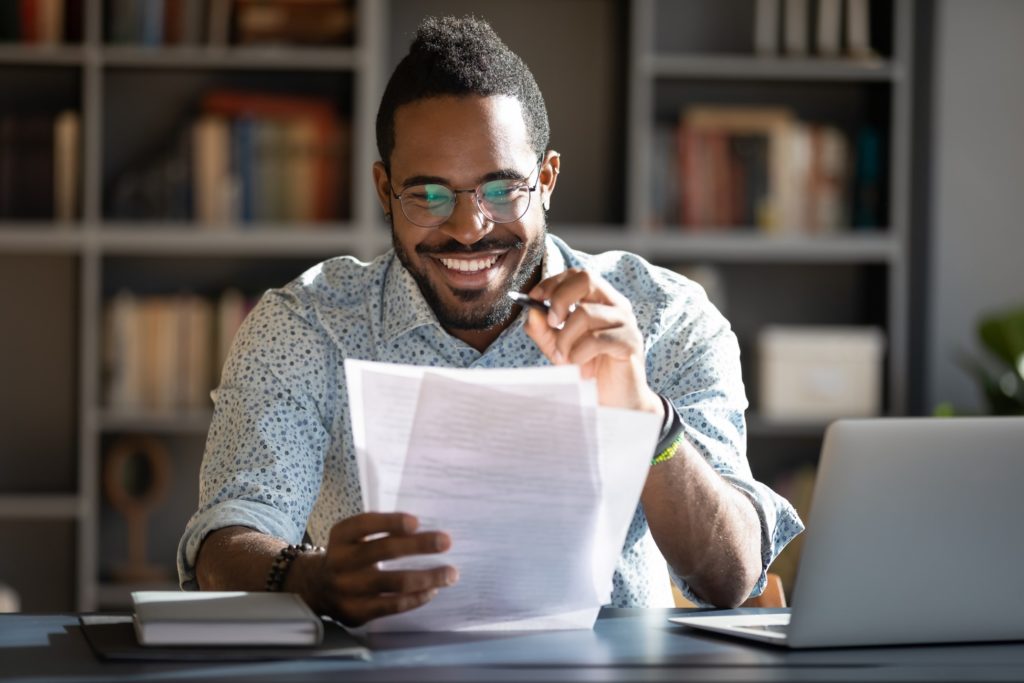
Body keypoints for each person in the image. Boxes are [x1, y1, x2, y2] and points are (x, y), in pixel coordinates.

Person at [178, 15, 802, 627]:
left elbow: (732, 577)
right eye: (426, 195)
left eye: (501, 189)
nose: (469, 227)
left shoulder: (665, 316)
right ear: (383, 191)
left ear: (547, 179)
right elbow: (224, 542)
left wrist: (645, 418)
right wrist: (312, 580)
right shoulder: (307, 326)